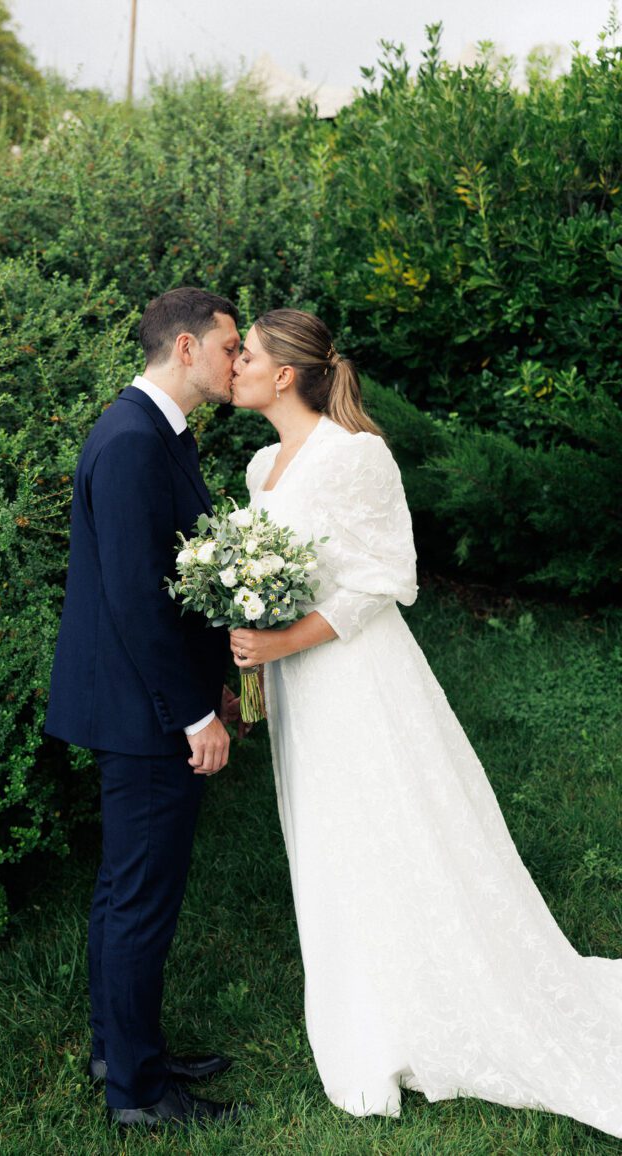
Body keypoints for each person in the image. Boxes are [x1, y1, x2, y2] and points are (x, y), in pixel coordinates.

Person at [228, 307, 622, 1139]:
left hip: (357, 678)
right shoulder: (263, 461)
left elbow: (383, 579)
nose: (235, 367)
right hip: (300, 687)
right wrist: (255, 651)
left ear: (286, 374)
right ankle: (374, 998)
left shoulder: (354, 455)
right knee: (333, 840)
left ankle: (429, 1005)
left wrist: (279, 639)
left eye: (249, 355)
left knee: (392, 829)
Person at [45, 287, 250, 1131]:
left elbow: (176, 577)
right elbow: (138, 601)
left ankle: (122, 1050)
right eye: (231, 347)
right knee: (139, 900)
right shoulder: (132, 440)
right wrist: (193, 716)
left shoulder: (157, 433)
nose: (239, 361)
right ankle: (137, 1093)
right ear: (187, 348)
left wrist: (219, 680)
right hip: (142, 712)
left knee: (124, 893)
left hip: (140, 701)